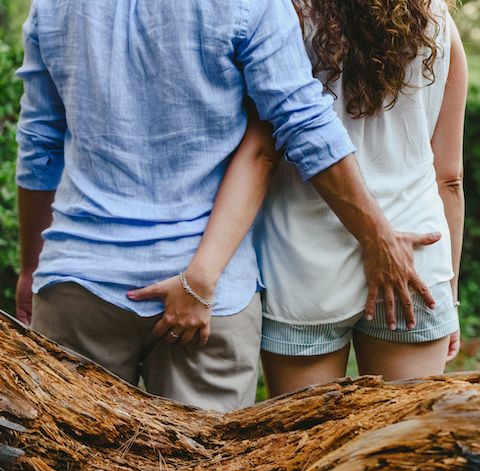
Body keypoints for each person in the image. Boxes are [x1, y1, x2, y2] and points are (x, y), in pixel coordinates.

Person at [15, 0, 438, 412]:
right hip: (209, 294)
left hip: (79, 280)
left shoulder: (51, 8)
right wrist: (377, 236)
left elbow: (40, 145)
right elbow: (302, 125)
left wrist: (31, 266)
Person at [157, 0, 466, 397]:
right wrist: (449, 297)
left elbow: (262, 149)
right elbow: (450, 178)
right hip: (415, 265)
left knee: (307, 449)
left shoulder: (287, 16)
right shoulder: (437, 22)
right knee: (404, 448)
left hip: (303, 268)